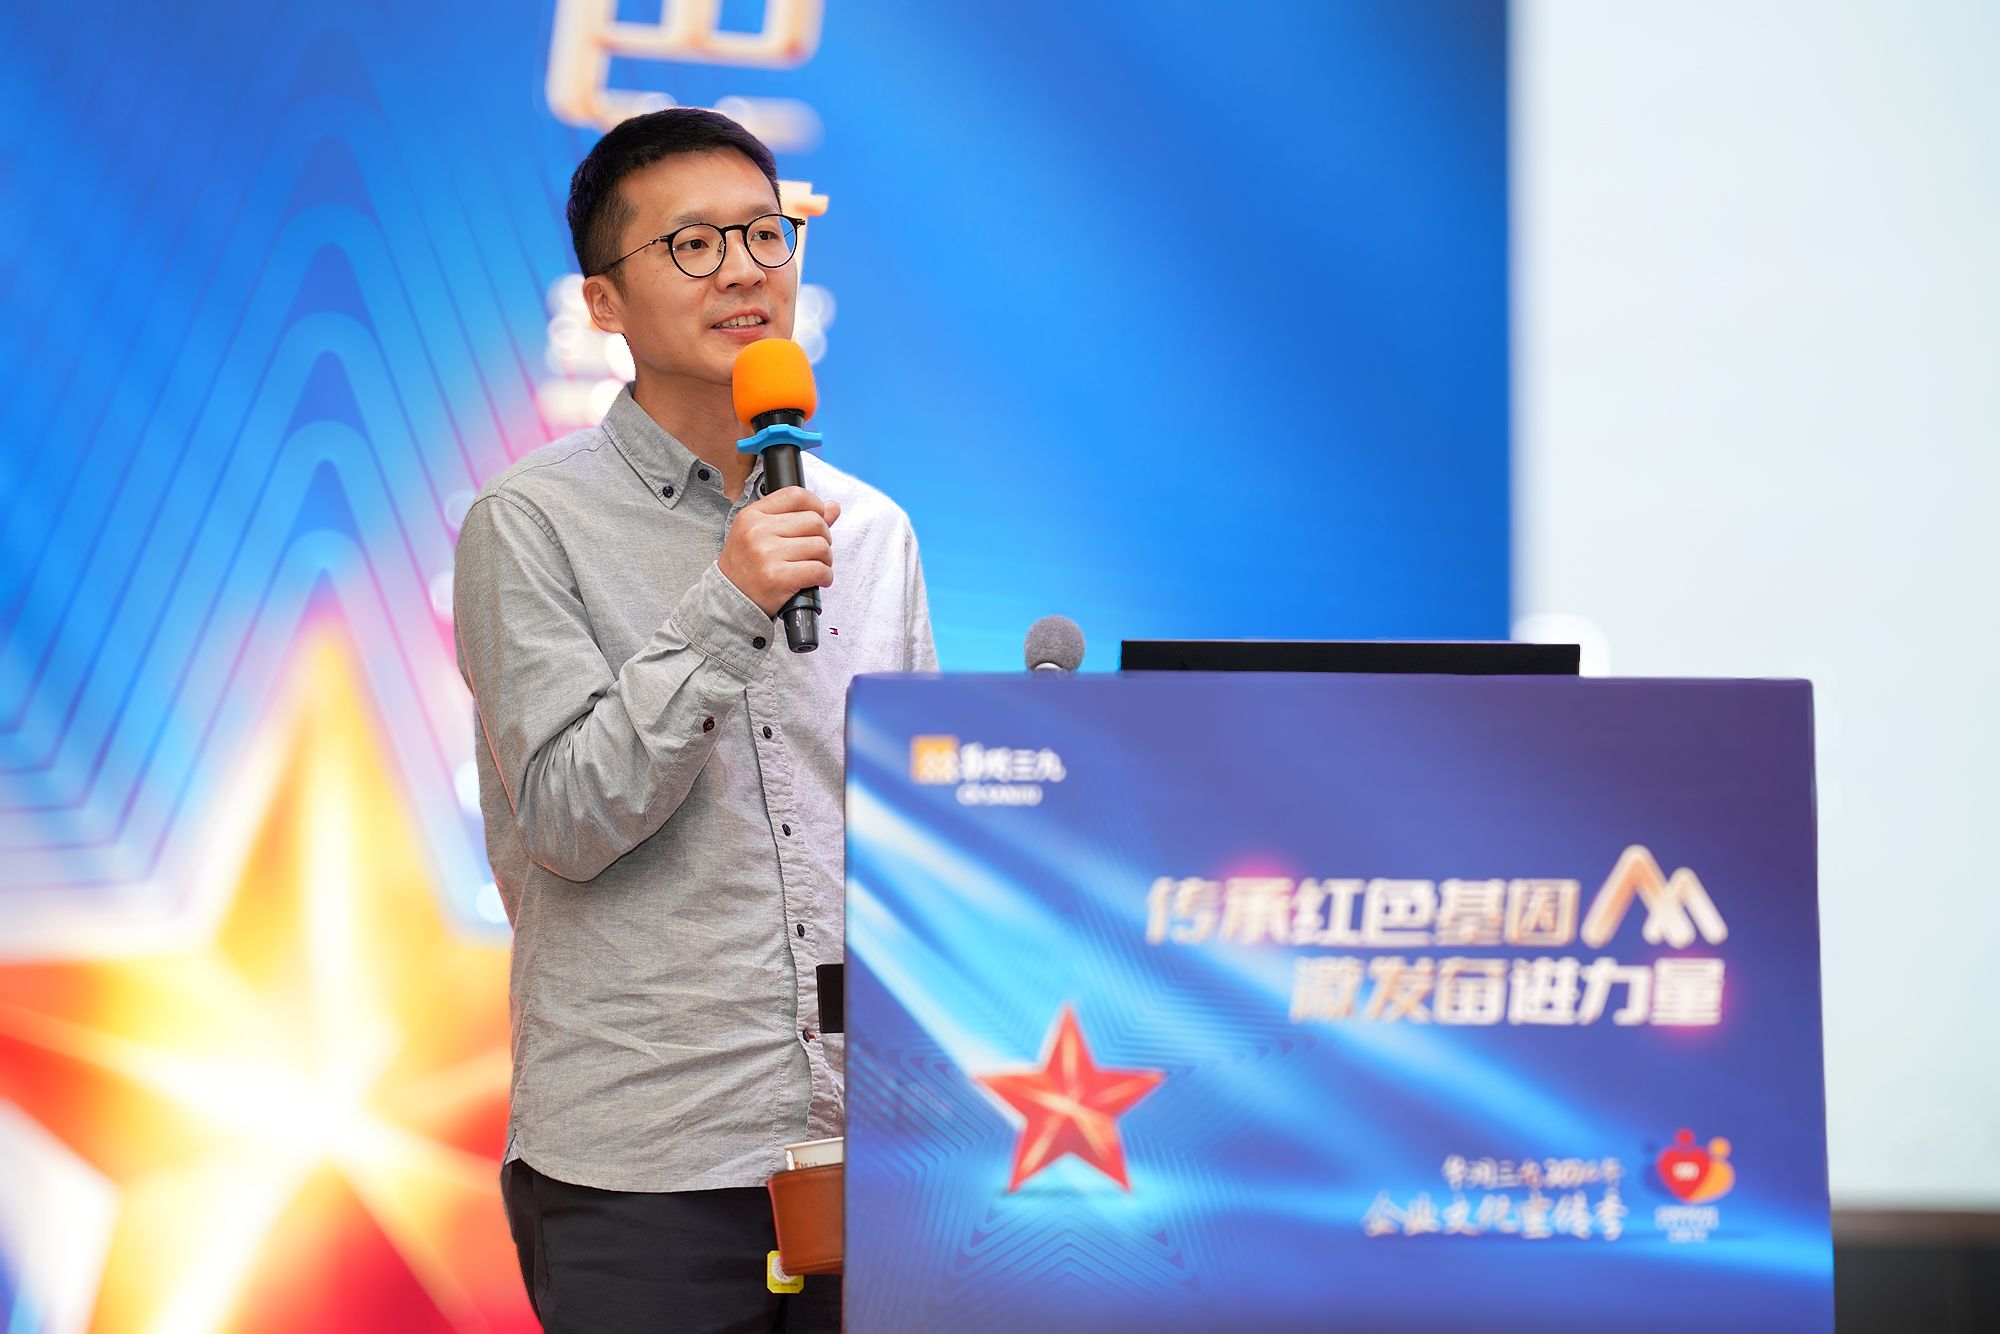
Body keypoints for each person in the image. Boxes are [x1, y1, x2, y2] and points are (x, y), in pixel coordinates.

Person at [453, 107, 936, 1332]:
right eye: (691, 244)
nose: (742, 271)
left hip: (864, 1148)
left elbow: (909, 837)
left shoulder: (871, 529)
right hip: (645, 1159)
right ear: (601, 302)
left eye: (765, 234)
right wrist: (728, 601)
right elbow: (567, 819)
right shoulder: (529, 522)